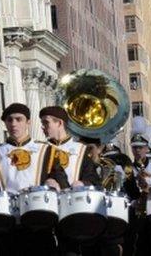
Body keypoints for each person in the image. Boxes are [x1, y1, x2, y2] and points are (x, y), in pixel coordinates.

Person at [0, 103, 70, 255]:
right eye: (9, 120)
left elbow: (62, 180)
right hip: (8, 224)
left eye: (19, 119)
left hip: (40, 223)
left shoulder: (47, 150)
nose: (14, 124)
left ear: (28, 122)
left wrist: (54, 182)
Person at [39, 106, 104, 256]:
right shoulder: (40, 150)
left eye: (46, 123)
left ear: (59, 123)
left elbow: (95, 180)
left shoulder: (80, 150)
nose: (43, 127)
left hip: (73, 214)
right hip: (47, 213)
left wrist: (83, 183)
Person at [125, 117, 151, 256]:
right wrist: (133, 202)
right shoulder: (127, 170)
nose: (137, 150)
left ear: (147, 147)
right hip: (136, 221)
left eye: (140, 147)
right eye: (134, 147)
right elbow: (124, 195)